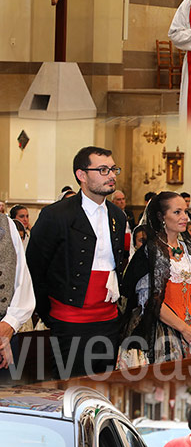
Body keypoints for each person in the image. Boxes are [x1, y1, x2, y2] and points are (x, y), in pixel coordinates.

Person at [26, 145, 126, 378]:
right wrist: (48, 312)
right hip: (70, 321)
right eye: (102, 170)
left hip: (109, 320)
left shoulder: (118, 216)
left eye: (113, 169)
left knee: (105, 387)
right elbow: (35, 267)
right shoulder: (56, 215)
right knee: (72, 389)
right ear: (81, 175)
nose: (111, 175)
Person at [119, 191, 191, 363]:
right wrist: (184, 329)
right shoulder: (150, 252)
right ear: (161, 216)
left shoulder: (189, 250)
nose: (185, 217)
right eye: (177, 212)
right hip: (161, 328)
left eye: (186, 212)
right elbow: (151, 300)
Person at [0, 211, 35, 375]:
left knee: (7, 397)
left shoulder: (7, 225)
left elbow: (22, 280)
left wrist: (9, 324)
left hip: (4, 329)